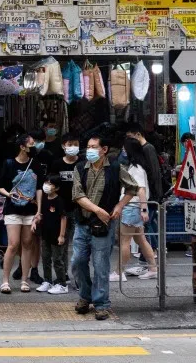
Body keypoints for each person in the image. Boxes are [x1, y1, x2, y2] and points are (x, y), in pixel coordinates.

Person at [72, 134, 139, 321]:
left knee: (101, 264)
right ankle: (85, 296)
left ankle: (101, 303)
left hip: (104, 225)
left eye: (94, 147)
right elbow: (77, 194)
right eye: (88, 146)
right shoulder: (80, 167)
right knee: (78, 261)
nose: (90, 150)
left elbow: (133, 187)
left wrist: (119, 206)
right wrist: (97, 210)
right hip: (83, 222)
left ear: (104, 150)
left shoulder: (116, 168)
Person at [0, 134, 44, 294]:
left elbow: (39, 188)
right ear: (22, 147)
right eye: (31, 144)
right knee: (13, 244)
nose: (34, 146)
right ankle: (5, 280)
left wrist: (38, 210)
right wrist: (10, 195)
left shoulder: (36, 164)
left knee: (28, 243)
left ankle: (25, 279)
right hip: (13, 209)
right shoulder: (9, 164)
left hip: (30, 210)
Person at [115, 138, 158, 281]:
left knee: (125, 241)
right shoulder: (137, 167)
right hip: (135, 208)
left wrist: (144, 209)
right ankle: (153, 268)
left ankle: (119, 272)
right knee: (141, 240)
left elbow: (140, 190)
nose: (123, 151)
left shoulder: (136, 168)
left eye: (125, 149)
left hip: (132, 207)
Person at [125, 123, 163, 261]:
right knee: (148, 225)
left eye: (131, 137)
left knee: (147, 225)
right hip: (149, 194)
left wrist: (152, 196)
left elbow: (153, 173)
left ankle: (152, 252)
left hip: (150, 195)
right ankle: (152, 252)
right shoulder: (144, 149)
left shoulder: (148, 148)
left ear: (138, 134)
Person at [48, 133, 81, 280]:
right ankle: (64, 274)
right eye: (69, 144)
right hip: (63, 209)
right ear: (63, 146)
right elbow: (51, 184)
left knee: (79, 243)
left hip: (80, 208)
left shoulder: (83, 163)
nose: (72, 147)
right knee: (63, 243)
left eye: (75, 144)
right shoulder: (57, 164)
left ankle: (79, 274)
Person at [32, 173, 69, 294]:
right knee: (46, 258)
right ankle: (47, 281)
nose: (47, 185)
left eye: (51, 184)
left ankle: (62, 283)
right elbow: (41, 215)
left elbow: (63, 218)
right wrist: (35, 221)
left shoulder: (59, 201)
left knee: (57, 260)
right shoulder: (44, 199)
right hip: (46, 234)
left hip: (56, 235)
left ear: (57, 188)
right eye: (47, 182)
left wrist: (62, 235)